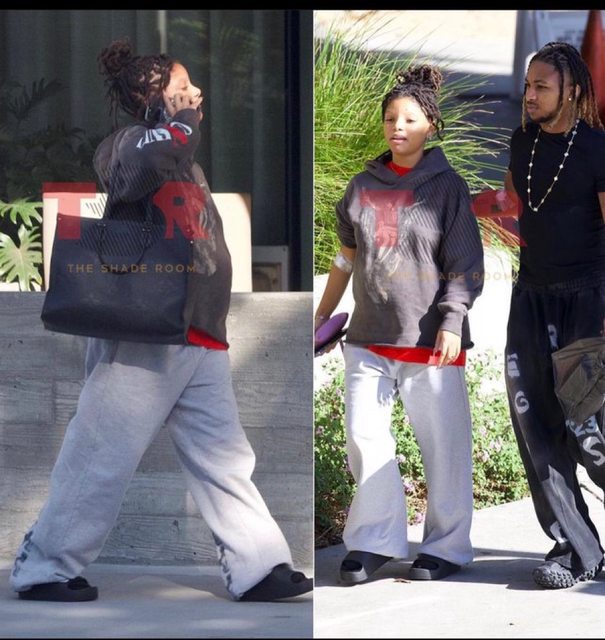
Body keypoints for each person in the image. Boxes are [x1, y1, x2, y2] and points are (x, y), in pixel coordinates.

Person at [9, 38, 312, 603]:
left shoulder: (182, 158)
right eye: (182, 88)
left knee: (225, 459)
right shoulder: (124, 146)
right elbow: (144, 165)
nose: (197, 94)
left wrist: (180, 127)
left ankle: (257, 566)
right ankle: (44, 567)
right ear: (153, 101)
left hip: (199, 332)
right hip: (145, 335)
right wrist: (180, 124)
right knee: (100, 453)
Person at [314, 65, 484, 583]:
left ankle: (447, 547)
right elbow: (345, 257)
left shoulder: (447, 187)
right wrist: (322, 314)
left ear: (430, 124)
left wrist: (452, 320)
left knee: (444, 448)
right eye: (391, 118)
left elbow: (465, 263)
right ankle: (375, 541)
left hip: (431, 340)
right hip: (368, 337)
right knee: (363, 438)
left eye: (409, 119)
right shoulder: (362, 186)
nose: (398, 127)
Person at [502, 40, 605, 589]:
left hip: (587, 304)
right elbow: (513, 205)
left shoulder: (596, 148)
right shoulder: (521, 142)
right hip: (530, 299)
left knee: (592, 432)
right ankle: (574, 549)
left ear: (572, 90)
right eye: (528, 85)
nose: (530, 95)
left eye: (542, 86)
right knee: (535, 428)